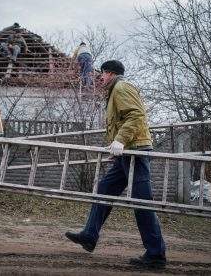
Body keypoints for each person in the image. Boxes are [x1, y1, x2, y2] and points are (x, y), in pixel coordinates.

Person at [65, 60, 166, 269]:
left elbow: (136, 116)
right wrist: (117, 143)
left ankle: (156, 253)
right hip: (126, 152)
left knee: (142, 202)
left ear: (109, 73)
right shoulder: (114, 90)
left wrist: (120, 140)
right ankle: (90, 235)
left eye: (101, 74)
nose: (100, 77)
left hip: (134, 151)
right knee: (104, 189)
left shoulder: (121, 88)